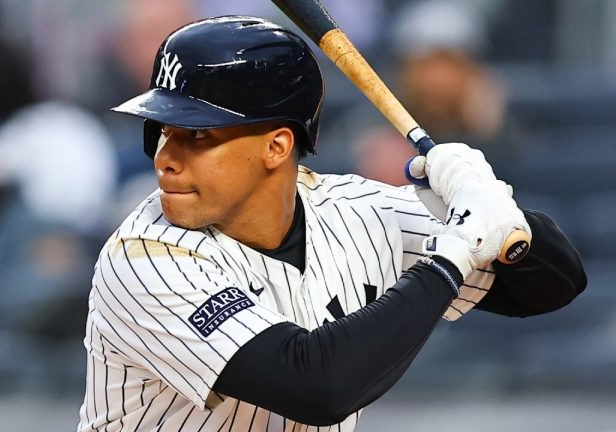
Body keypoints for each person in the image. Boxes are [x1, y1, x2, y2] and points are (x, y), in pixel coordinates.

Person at [77, 16, 586, 431]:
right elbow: (318, 388)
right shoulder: (143, 258)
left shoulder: (354, 212)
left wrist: (490, 204)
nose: (165, 157)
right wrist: (452, 253)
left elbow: (551, 285)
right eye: (162, 130)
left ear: (277, 146)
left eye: (198, 135)